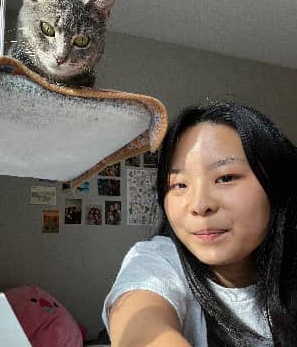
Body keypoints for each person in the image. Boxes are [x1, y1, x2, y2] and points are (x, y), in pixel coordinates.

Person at [102, 101, 297, 347]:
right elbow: (140, 327)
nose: (199, 205)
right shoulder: (158, 261)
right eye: (179, 185)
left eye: (225, 178)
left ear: (277, 184)